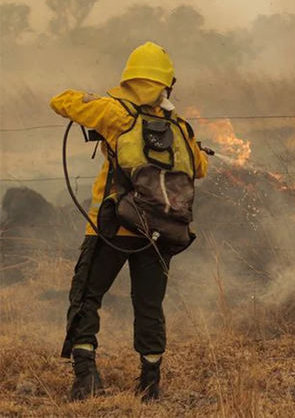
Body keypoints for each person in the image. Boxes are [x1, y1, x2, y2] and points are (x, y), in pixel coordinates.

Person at [50, 42, 209, 402]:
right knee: (149, 305)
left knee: (87, 295)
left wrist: (90, 102)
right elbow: (200, 167)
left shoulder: (115, 113)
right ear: (167, 83)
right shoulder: (179, 126)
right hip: (160, 232)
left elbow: (61, 100)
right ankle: (150, 382)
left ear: (129, 78)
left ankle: (86, 376)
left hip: (111, 226)